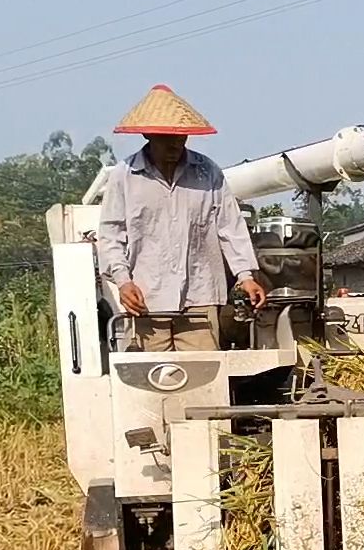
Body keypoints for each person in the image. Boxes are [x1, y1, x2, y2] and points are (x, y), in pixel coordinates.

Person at [97, 84, 267, 351]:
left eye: (181, 136)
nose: (175, 143)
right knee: (154, 382)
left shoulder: (207, 171)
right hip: (147, 298)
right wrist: (123, 280)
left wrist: (245, 276)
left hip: (200, 297)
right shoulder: (125, 176)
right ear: (147, 135)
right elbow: (111, 234)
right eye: (166, 137)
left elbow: (230, 227)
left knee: (205, 381)